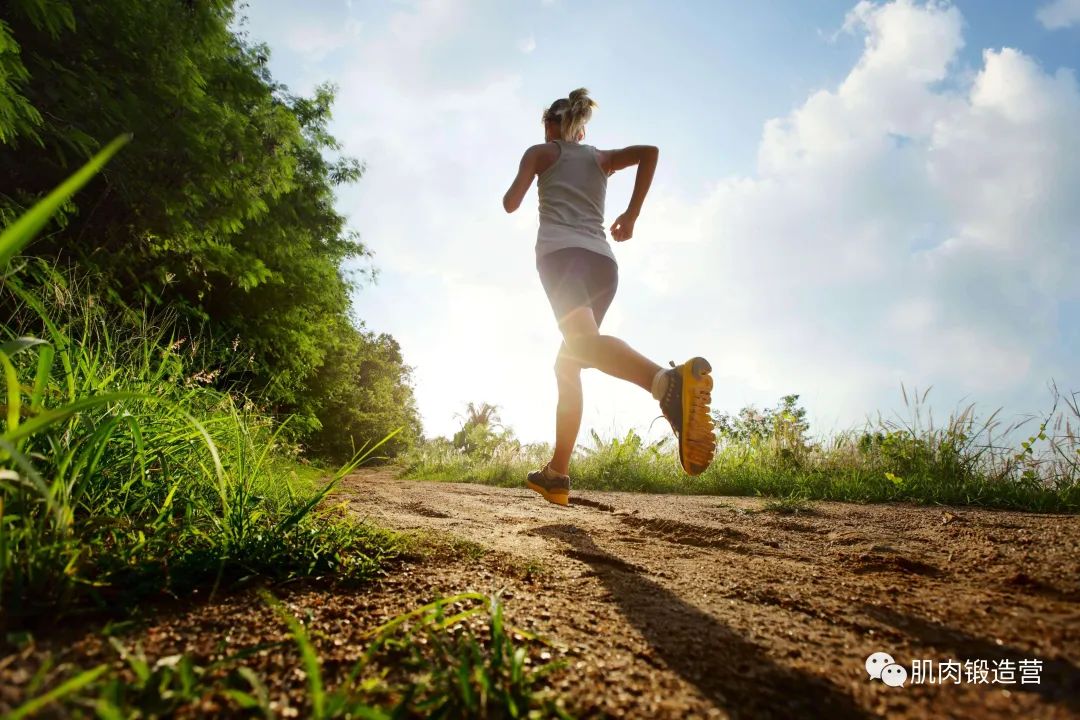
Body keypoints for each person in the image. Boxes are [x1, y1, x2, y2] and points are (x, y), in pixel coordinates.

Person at [502, 88, 715, 506]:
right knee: (569, 363)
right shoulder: (600, 158)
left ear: (551, 126)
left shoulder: (541, 152)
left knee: (580, 347)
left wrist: (531, 170)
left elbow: (511, 203)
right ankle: (557, 473)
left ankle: (666, 383)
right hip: (603, 263)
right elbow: (649, 152)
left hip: (562, 258)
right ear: (580, 129)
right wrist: (631, 214)